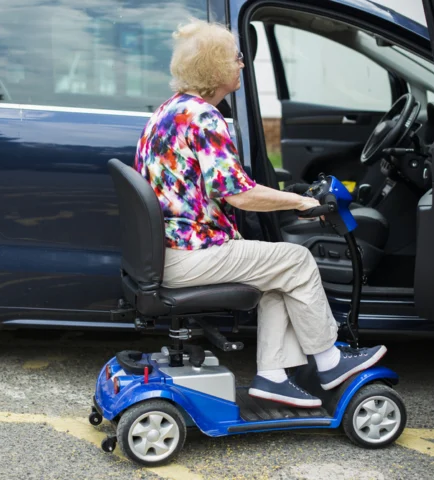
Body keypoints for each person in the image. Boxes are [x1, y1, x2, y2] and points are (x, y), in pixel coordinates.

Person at [134, 19, 386, 408]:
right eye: (236, 58)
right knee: (297, 260)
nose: (241, 64)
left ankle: (272, 377)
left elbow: (219, 188)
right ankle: (330, 361)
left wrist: (286, 195)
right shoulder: (203, 116)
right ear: (217, 68)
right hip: (188, 254)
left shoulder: (170, 110)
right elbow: (237, 194)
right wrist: (300, 202)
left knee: (275, 275)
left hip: (168, 250)